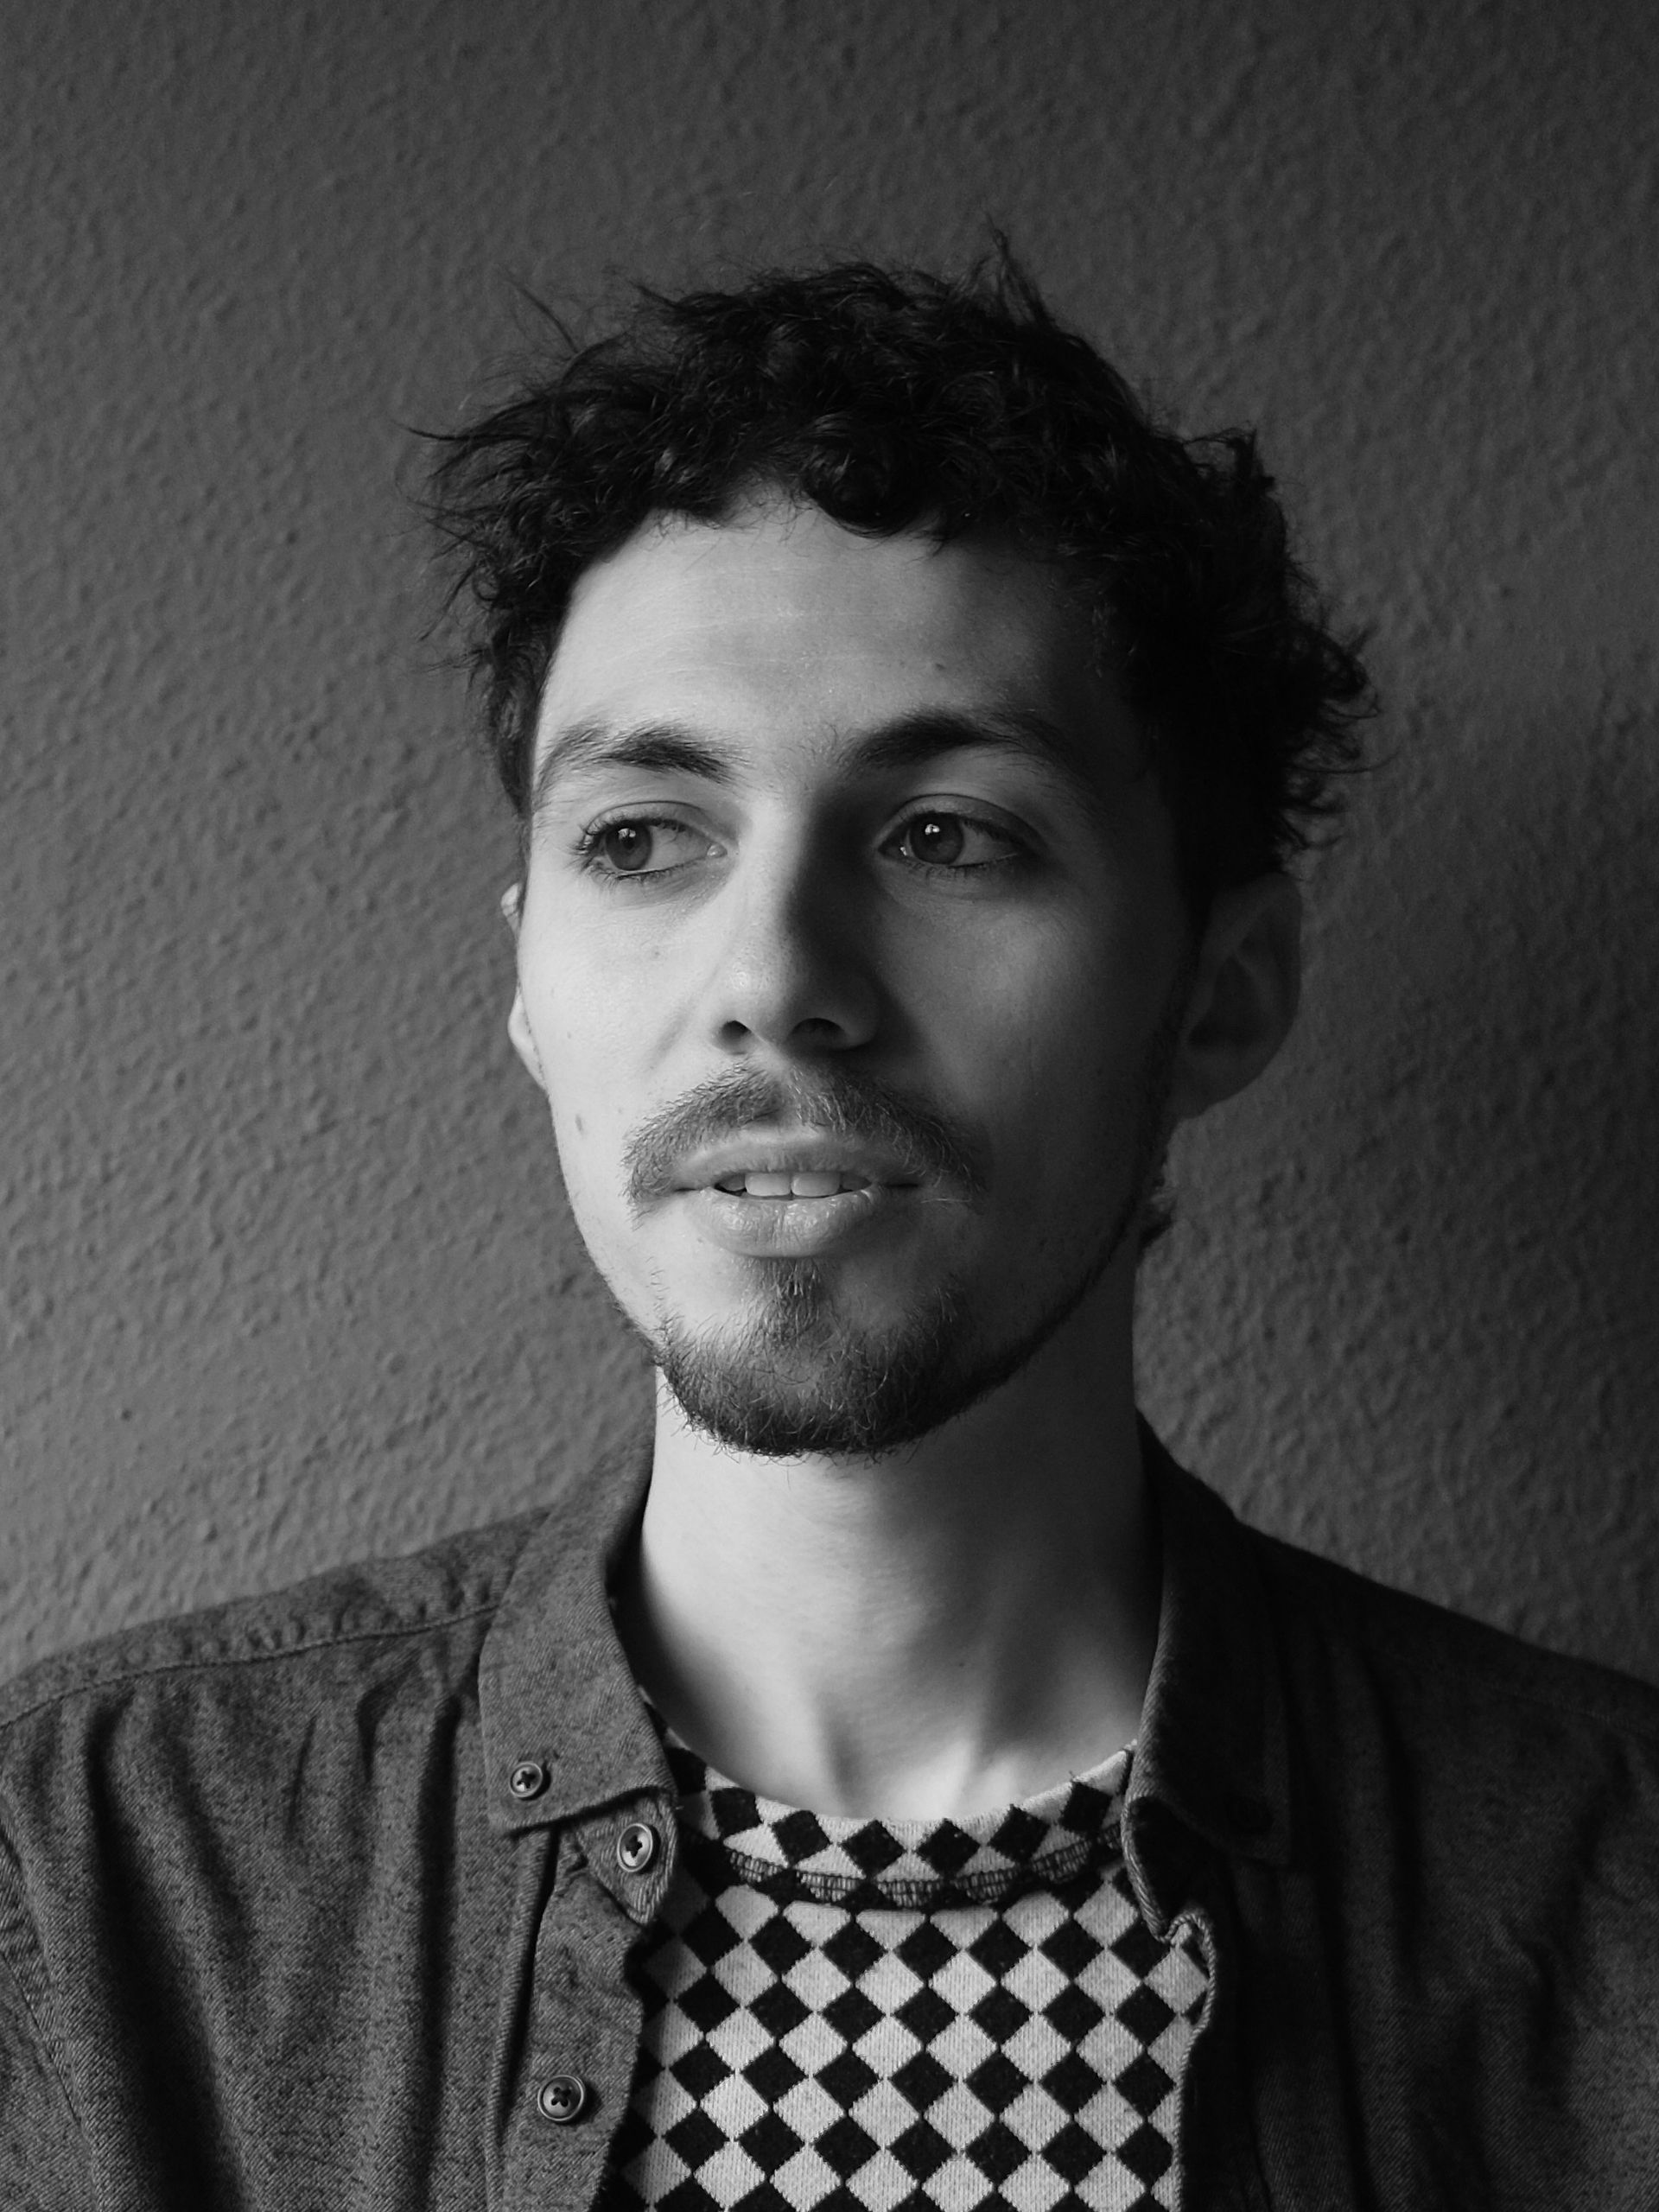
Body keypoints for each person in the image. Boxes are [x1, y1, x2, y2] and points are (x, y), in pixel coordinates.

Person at [2, 251, 1655, 2212]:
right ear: (529, 982)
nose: (773, 981)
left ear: (1220, 995)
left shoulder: (1609, 1906)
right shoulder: (89, 1880)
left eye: (949, 833)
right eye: (641, 839)